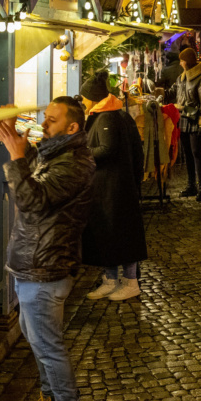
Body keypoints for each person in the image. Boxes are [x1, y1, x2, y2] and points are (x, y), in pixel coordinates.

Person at [0, 97, 94, 401]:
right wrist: (6, 121)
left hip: (47, 267)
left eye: (51, 121)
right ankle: (50, 399)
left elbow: (32, 201)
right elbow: (31, 139)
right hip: (33, 262)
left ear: (72, 127)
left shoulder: (74, 164)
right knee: (36, 338)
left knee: (48, 345)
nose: (43, 125)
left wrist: (16, 157)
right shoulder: (54, 150)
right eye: (44, 118)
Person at [78, 72, 147, 301]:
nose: (83, 101)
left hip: (113, 187)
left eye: (85, 97)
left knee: (121, 234)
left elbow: (107, 149)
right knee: (108, 233)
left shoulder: (107, 117)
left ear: (93, 97)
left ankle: (129, 282)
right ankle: (110, 280)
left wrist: (81, 154)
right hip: (111, 186)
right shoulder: (110, 113)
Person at [173, 48, 201, 201]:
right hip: (183, 119)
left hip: (194, 119)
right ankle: (191, 185)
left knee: (196, 153)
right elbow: (175, 92)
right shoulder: (181, 78)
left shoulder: (200, 77)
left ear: (186, 62)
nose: (180, 63)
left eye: (181, 60)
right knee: (187, 154)